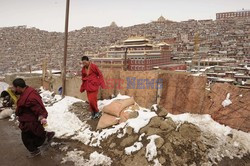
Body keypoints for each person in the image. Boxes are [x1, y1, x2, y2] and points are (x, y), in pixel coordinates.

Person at [12, 78, 55, 158]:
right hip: (27, 120)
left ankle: (36, 150)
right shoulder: (27, 91)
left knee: (27, 139)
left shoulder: (30, 97)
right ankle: (47, 136)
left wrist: (41, 117)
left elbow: (37, 107)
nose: (13, 89)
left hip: (30, 122)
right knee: (35, 135)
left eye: (14, 87)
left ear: (18, 87)